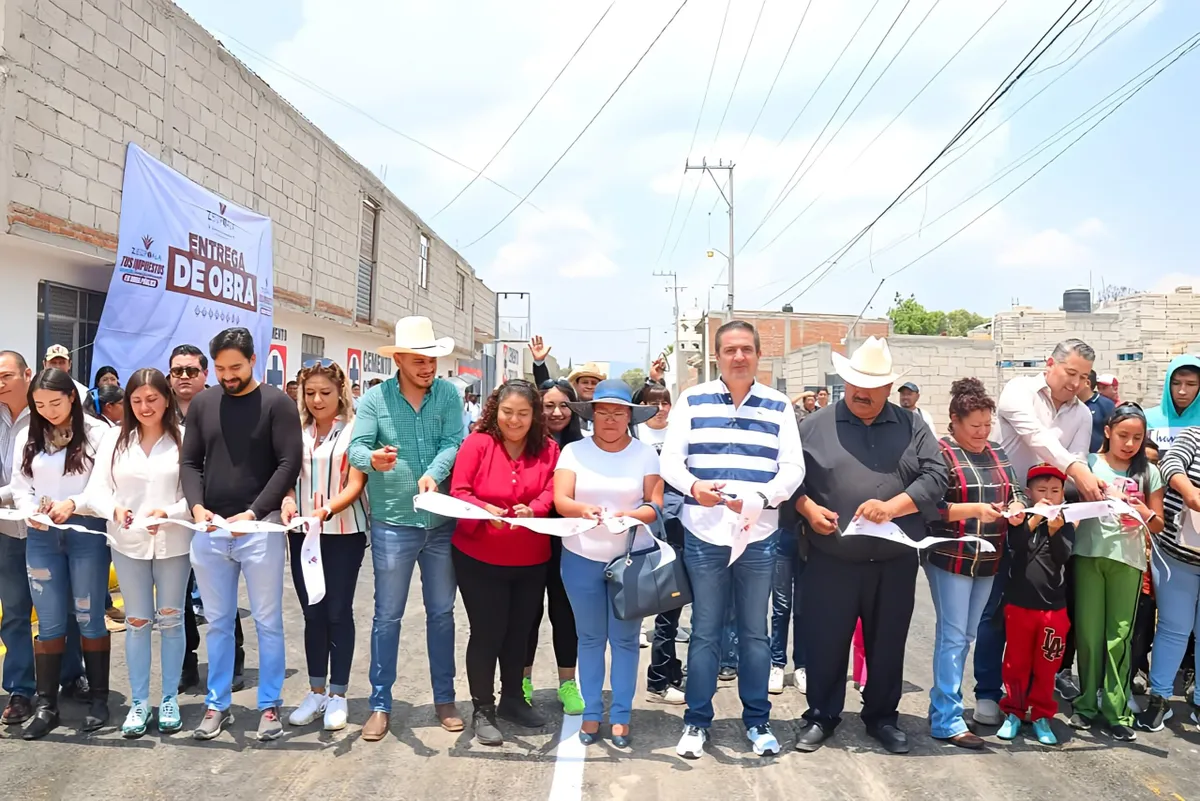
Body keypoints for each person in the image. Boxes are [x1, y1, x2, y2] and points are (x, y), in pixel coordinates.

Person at [792, 336, 948, 754]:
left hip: (895, 559)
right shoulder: (813, 425)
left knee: (888, 643)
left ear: (888, 389)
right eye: (854, 383)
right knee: (826, 641)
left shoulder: (912, 424)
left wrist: (893, 507)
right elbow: (789, 482)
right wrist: (807, 509)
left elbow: (936, 476)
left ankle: (882, 717)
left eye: (871, 386)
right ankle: (821, 716)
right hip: (833, 558)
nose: (861, 393)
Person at [662, 320, 806, 760]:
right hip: (705, 534)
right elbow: (671, 460)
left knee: (754, 634)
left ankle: (758, 721)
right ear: (717, 356)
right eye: (730, 350)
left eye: (746, 349)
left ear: (758, 355)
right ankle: (696, 721)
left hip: (758, 536)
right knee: (704, 632)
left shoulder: (778, 405)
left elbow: (793, 468)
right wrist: (694, 488)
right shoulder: (692, 400)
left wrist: (763, 497)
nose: (738, 356)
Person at [181, 327, 302, 742]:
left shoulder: (277, 404)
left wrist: (253, 512)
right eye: (219, 368)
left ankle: (269, 706)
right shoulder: (202, 403)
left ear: (253, 359)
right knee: (217, 622)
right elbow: (190, 463)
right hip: (210, 530)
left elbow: (288, 463)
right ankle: (217, 704)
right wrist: (198, 508)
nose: (227, 375)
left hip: (260, 529)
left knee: (268, 621)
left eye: (235, 367)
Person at [348, 316, 465, 741]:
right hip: (393, 522)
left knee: (442, 614)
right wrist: (372, 460)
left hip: (441, 523)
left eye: (432, 359)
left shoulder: (450, 395)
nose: (428, 367)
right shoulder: (376, 400)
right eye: (418, 360)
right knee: (387, 616)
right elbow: (357, 448)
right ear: (398, 359)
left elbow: (455, 441)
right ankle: (380, 703)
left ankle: (445, 698)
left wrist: (434, 472)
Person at [975, 338, 1100, 725]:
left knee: (1038, 611)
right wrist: (1078, 470)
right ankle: (988, 693)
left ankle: (1029, 697)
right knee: (995, 609)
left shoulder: (1082, 414)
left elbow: (1072, 466)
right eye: (1070, 373)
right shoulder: (1018, 390)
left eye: (1083, 378)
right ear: (1050, 364)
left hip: (1049, 518)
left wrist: (1075, 496)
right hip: (1006, 507)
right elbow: (1040, 442)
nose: (1076, 384)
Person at [83, 368, 191, 738]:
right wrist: (112, 508)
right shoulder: (115, 440)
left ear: (166, 399)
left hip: (173, 543)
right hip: (127, 543)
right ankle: (141, 702)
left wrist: (171, 513)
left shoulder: (184, 440)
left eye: (153, 399)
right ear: (127, 403)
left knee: (172, 620)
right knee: (137, 622)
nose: (145, 407)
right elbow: (96, 490)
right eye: (137, 400)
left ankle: (170, 698)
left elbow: (195, 494)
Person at [450, 380, 559, 745]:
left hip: (530, 557)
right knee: (487, 632)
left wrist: (537, 509)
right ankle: (483, 708)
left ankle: (513, 698)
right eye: (507, 412)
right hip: (479, 555)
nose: (514, 420)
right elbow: (459, 492)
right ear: (496, 410)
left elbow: (550, 492)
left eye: (523, 414)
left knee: (520, 632)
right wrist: (484, 510)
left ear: (534, 416)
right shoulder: (478, 443)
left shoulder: (548, 449)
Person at [555, 378, 662, 748]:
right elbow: (561, 500)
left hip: (631, 561)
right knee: (589, 638)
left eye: (619, 413)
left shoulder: (646, 454)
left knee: (626, 640)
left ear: (630, 416)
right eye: (604, 413)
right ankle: (590, 715)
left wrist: (631, 515)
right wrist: (583, 509)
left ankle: (620, 716)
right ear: (592, 415)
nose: (611, 419)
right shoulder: (572, 452)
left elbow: (655, 505)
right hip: (581, 557)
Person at [923, 378, 1028, 749]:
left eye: (987, 425)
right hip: (950, 557)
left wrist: (1016, 508)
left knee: (968, 635)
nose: (983, 433)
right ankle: (946, 720)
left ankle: (949, 708)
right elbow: (928, 507)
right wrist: (974, 511)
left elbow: (1015, 490)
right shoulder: (940, 453)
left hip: (989, 557)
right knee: (953, 636)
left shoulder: (998, 451)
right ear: (954, 420)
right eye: (975, 426)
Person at [10, 368, 110, 739]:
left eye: (56, 402)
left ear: (72, 396)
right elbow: (21, 484)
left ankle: (99, 699)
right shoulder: (28, 435)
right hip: (41, 537)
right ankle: (47, 705)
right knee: (48, 620)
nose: (49, 411)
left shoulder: (100, 433)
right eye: (40, 405)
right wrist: (30, 509)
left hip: (86, 533)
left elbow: (104, 487)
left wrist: (75, 503)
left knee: (88, 614)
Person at [279, 359, 368, 732]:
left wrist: (328, 509)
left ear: (341, 393)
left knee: (337, 612)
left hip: (343, 532)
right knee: (312, 612)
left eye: (325, 393)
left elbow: (356, 481)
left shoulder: (356, 431)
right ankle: (315, 691)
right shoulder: (293, 431)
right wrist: (286, 498)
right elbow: (284, 472)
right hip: (302, 534)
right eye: (310, 393)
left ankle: (338, 695)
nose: (317, 400)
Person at [0, 351, 87, 726]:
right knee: (17, 610)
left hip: (52, 529)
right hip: (8, 530)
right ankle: (21, 689)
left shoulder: (53, 415)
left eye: (5, 375)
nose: (0, 382)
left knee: (63, 606)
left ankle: (71, 674)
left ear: (28, 374)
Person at [1071, 402, 1163, 740]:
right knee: (1089, 635)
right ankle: (1085, 706)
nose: (1129, 444)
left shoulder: (1149, 473)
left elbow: (1158, 525)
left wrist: (1142, 512)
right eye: (1123, 435)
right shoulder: (1089, 464)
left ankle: (1117, 711)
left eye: (1137, 437)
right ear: (1107, 432)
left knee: (1118, 638)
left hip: (1129, 562)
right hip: (1088, 556)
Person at [168, 343, 245, 694]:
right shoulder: (156, 411)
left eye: (191, 371)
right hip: (173, 521)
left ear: (205, 374)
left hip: (213, 516)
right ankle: (187, 664)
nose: (183, 377)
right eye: (177, 371)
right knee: (179, 597)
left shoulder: (223, 409)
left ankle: (234, 660)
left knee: (222, 595)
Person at [997, 465, 1075, 746]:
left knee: (1047, 666)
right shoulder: (1020, 520)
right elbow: (1016, 549)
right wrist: (1032, 520)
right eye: (1042, 491)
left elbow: (1063, 556)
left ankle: (1042, 715)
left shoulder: (1065, 522)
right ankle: (1013, 712)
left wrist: (1055, 530)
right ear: (1029, 493)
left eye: (1055, 491)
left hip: (1053, 610)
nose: (1049, 497)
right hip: (1019, 606)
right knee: (1015, 664)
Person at [525, 378, 584, 715]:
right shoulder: (527, 444)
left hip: (570, 544)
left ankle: (567, 683)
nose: (557, 412)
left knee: (565, 615)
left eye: (564, 405)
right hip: (530, 540)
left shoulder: (582, 448)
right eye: (548, 405)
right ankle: (522, 682)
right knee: (527, 615)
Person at [1138, 420, 1200, 731]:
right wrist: (1191, 494)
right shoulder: (1193, 435)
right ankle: (1158, 699)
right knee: (1174, 628)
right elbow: (1170, 463)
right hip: (1177, 553)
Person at [1145, 355, 1200, 452]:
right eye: (1176, 383)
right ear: (1168, 384)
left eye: (1191, 384)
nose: (1182, 391)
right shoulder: (1145, 419)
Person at [1079, 370, 1116, 454]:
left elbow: (1114, 430)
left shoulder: (1106, 404)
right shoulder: (1069, 404)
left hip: (1098, 457)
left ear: (1087, 383)